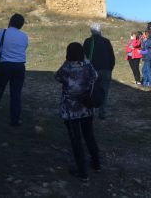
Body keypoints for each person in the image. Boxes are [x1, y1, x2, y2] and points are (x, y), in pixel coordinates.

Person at [54, 42, 101, 182]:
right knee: (89, 136)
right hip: (87, 107)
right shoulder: (88, 66)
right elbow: (95, 76)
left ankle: (82, 172)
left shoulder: (66, 67)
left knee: (76, 140)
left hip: (71, 110)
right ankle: (96, 164)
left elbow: (57, 77)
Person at [83, 23, 115, 119]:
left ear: (91, 31)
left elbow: (84, 57)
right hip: (106, 70)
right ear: (100, 30)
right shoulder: (106, 41)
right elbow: (112, 57)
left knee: (91, 91)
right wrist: (109, 69)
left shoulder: (88, 41)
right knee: (104, 92)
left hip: (92, 71)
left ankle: (90, 111)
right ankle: (102, 113)